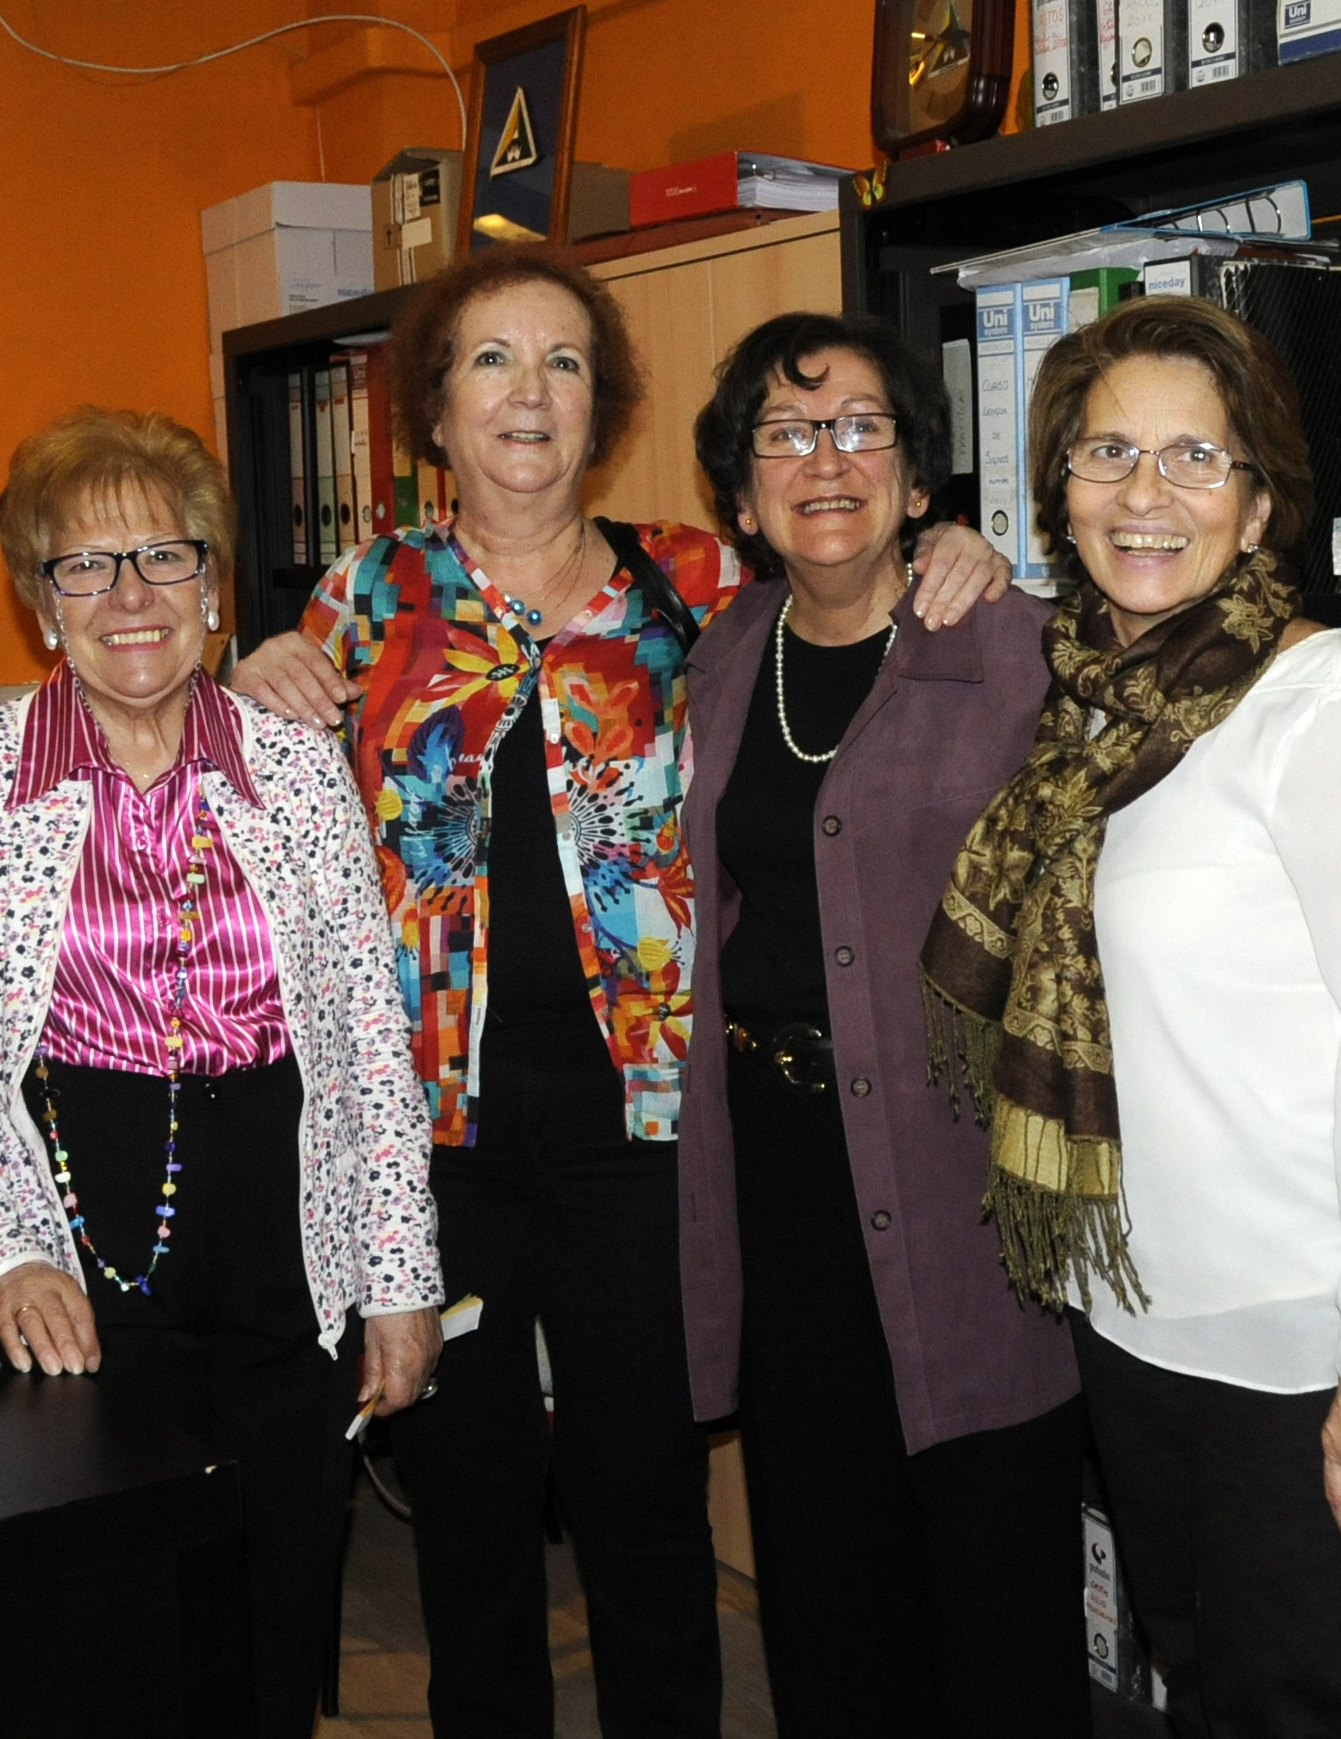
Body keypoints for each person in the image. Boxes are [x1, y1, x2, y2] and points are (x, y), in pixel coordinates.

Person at [227, 245, 1009, 1739]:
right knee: (469, 1503)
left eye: (565, 362)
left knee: (645, 1497)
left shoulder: (699, 585)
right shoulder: (361, 598)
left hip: (649, 1125)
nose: (530, 392)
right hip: (434, 1135)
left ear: (604, 409)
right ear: (435, 413)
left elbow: (856, 601)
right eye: (493, 360)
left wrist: (954, 551)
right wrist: (252, 676)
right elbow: (264, 824)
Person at [921, 296, 1341, 1739]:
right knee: (1196, 1691)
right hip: (1135, 1318)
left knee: (1293, 1711)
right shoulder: (1097, 709)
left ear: (1261, 502)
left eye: (1193, 457)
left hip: (1299, 1351)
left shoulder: (1329, 715)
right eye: (1108, 453)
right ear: (1062, 496)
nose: (1144, 494)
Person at [0, 406, 443, 1739]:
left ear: (213, 589)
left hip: (287, 1234)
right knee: (110, 1619)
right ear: (42, 603)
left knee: (278, 1591)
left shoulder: (296, 773)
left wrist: (401, 1277)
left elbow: (369, 1038)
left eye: (165, 557)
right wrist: (0, 1254)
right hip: (75, 1235)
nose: (130, 595)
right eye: (86, 564)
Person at [673, 313, 1089, 1739]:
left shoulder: (1017, 652)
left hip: (961, 1174)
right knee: (827, 1586)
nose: (827, 460)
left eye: (862, 428)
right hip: (781, 1182)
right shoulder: (722, 658)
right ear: (742, 499)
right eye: (785, 436)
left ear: (918, 480)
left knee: (997, 1594)